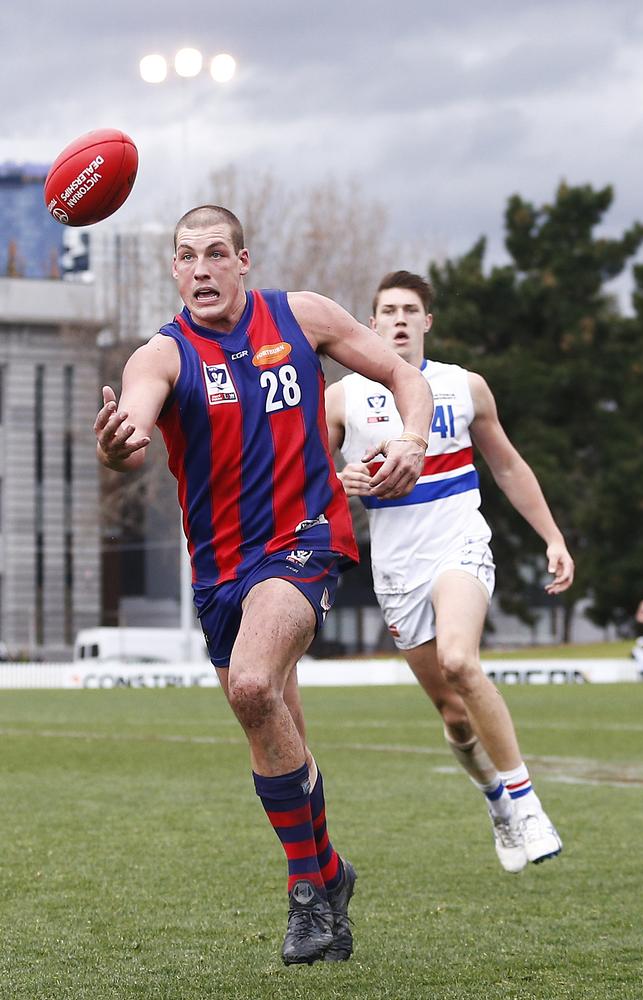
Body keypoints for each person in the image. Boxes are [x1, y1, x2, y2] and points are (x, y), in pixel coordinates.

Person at [93, 209, 433, 965]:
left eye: (217, 254)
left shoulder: (300, 316)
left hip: (304, 541)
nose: (203, 270)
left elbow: (405, 377)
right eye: (188, 258)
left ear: (243, 261)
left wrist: (412, 439)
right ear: (174, 271)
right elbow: (135, 429)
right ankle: (328, 875)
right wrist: (122, 445)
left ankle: (308, 897)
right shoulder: (163, 355)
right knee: (281, 732)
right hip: (219, 573)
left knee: (251, 687)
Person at [325, 270, 575, 875]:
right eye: (389, 311)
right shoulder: (342, 399)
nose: (401, 319)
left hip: (460, 545)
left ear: (428, 322)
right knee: (454, 716)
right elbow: (302, 483)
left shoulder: (464, 387)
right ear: (373, 322)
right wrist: (340, 482)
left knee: (462, 661)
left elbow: (509, 466)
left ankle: (527, 801)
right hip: (397, 571)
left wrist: (553, 537)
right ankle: (496, 802)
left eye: (412, 310)